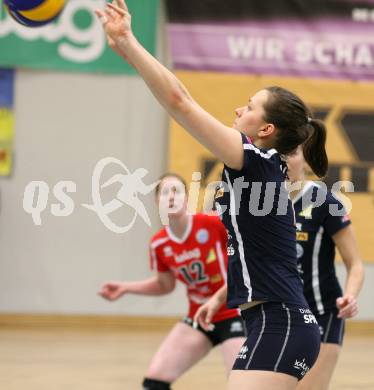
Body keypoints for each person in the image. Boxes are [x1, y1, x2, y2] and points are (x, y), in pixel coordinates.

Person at [95, 2, 328, 388]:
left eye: (250, 106)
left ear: (266, 128)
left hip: (280, 323)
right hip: (267, 322)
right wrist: (221, 296)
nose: (239, 109)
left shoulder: (255, 160)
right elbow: (258, 252)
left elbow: (180, 101)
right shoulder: (265, 168)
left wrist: (128, 42)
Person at [98, 173, 246, 390]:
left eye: (176, 191)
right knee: (153, 383)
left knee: (242, 384)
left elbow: (247, 258)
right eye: (165, 193)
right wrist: (125, 288)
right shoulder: (159, 243)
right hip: (199, 316)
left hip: (235, 313)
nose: (171, 197)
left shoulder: (212, 223)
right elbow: (164, 285)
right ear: (157, 202)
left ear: (187, 198)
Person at [285, 146, 364, 390]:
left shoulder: (325, 202)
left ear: (307, 162)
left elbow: (355, 264)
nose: (285, 161)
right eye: (278, 154)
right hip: (279, 315)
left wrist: (349, 296)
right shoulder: (261, 203)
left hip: (322, 314)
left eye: (291, 153)